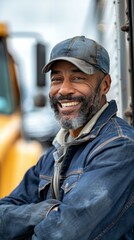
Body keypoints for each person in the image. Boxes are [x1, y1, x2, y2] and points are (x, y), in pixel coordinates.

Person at [1, 36, 134, 240]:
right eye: (56, 79)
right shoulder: (55, 153)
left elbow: (63, 234)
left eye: (78, 78)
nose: (63, 90)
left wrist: (28, 222)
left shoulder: (119, 147)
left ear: (105, 85)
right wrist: (46, 212)